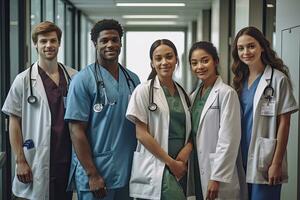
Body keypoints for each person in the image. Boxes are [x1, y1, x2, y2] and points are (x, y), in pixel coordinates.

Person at [64, 19, 140, 200]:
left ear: (121, 43)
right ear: (94, 44)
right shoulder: (82, 80)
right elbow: (76, 130)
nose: (110, 45)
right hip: (96, 173)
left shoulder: (133, 80)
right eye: (104, 40)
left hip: (127, 171)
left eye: (115, 40)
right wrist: (92, 174)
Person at [1, 21, 76, 200]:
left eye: (53, 41)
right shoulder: (23, 80)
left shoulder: (73, 77)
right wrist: (20, 160)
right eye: (43, 41)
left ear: (59, 43)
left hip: (66, 158)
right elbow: (14, 122)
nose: (48, 45)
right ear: (35, 44)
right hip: (35, 159)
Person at [231, 26, 298, 200]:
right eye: (241, 48)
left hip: (265, 159)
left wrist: (276, 163)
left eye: (251, 46)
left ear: (262, 46)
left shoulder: (278, 79)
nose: (246, 52)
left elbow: (285, 123)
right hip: (240, 156)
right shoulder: (239, 81)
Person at [126, 39, 193, 200]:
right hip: (159, 164)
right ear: (152, 63)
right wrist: (171, 163)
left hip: (182, 165)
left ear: (176, 59)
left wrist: (184, 155)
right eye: (158, 58)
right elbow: (141, 134)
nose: (164, 62)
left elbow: (191, 129)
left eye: (169, 57)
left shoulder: (183, 93)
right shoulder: (143, 91)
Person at [188, 41, 245, 200]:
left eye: (205, 60)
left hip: (216, 173)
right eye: (194, 63)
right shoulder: (193, 97)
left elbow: (229, 139)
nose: (200, 66)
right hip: (197, 167)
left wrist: (216, 177)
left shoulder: (227, 94)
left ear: (216, 61)